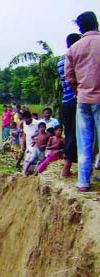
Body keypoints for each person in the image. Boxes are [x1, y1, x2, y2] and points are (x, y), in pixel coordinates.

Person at [65, 11, 100, 192]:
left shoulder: (74, 48)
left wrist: (78, 90)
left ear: (80, 28)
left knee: (84, 142)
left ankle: (83, 182)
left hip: (83, 98)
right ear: (97, 23)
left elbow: (69, 76)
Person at [59, 33, 82, 177]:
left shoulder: (60, 61)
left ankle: (67, 167)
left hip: (65, 101)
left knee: (69, 133)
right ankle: (67, 167)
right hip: (75, 98)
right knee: (77, 133)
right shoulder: (75, 58)